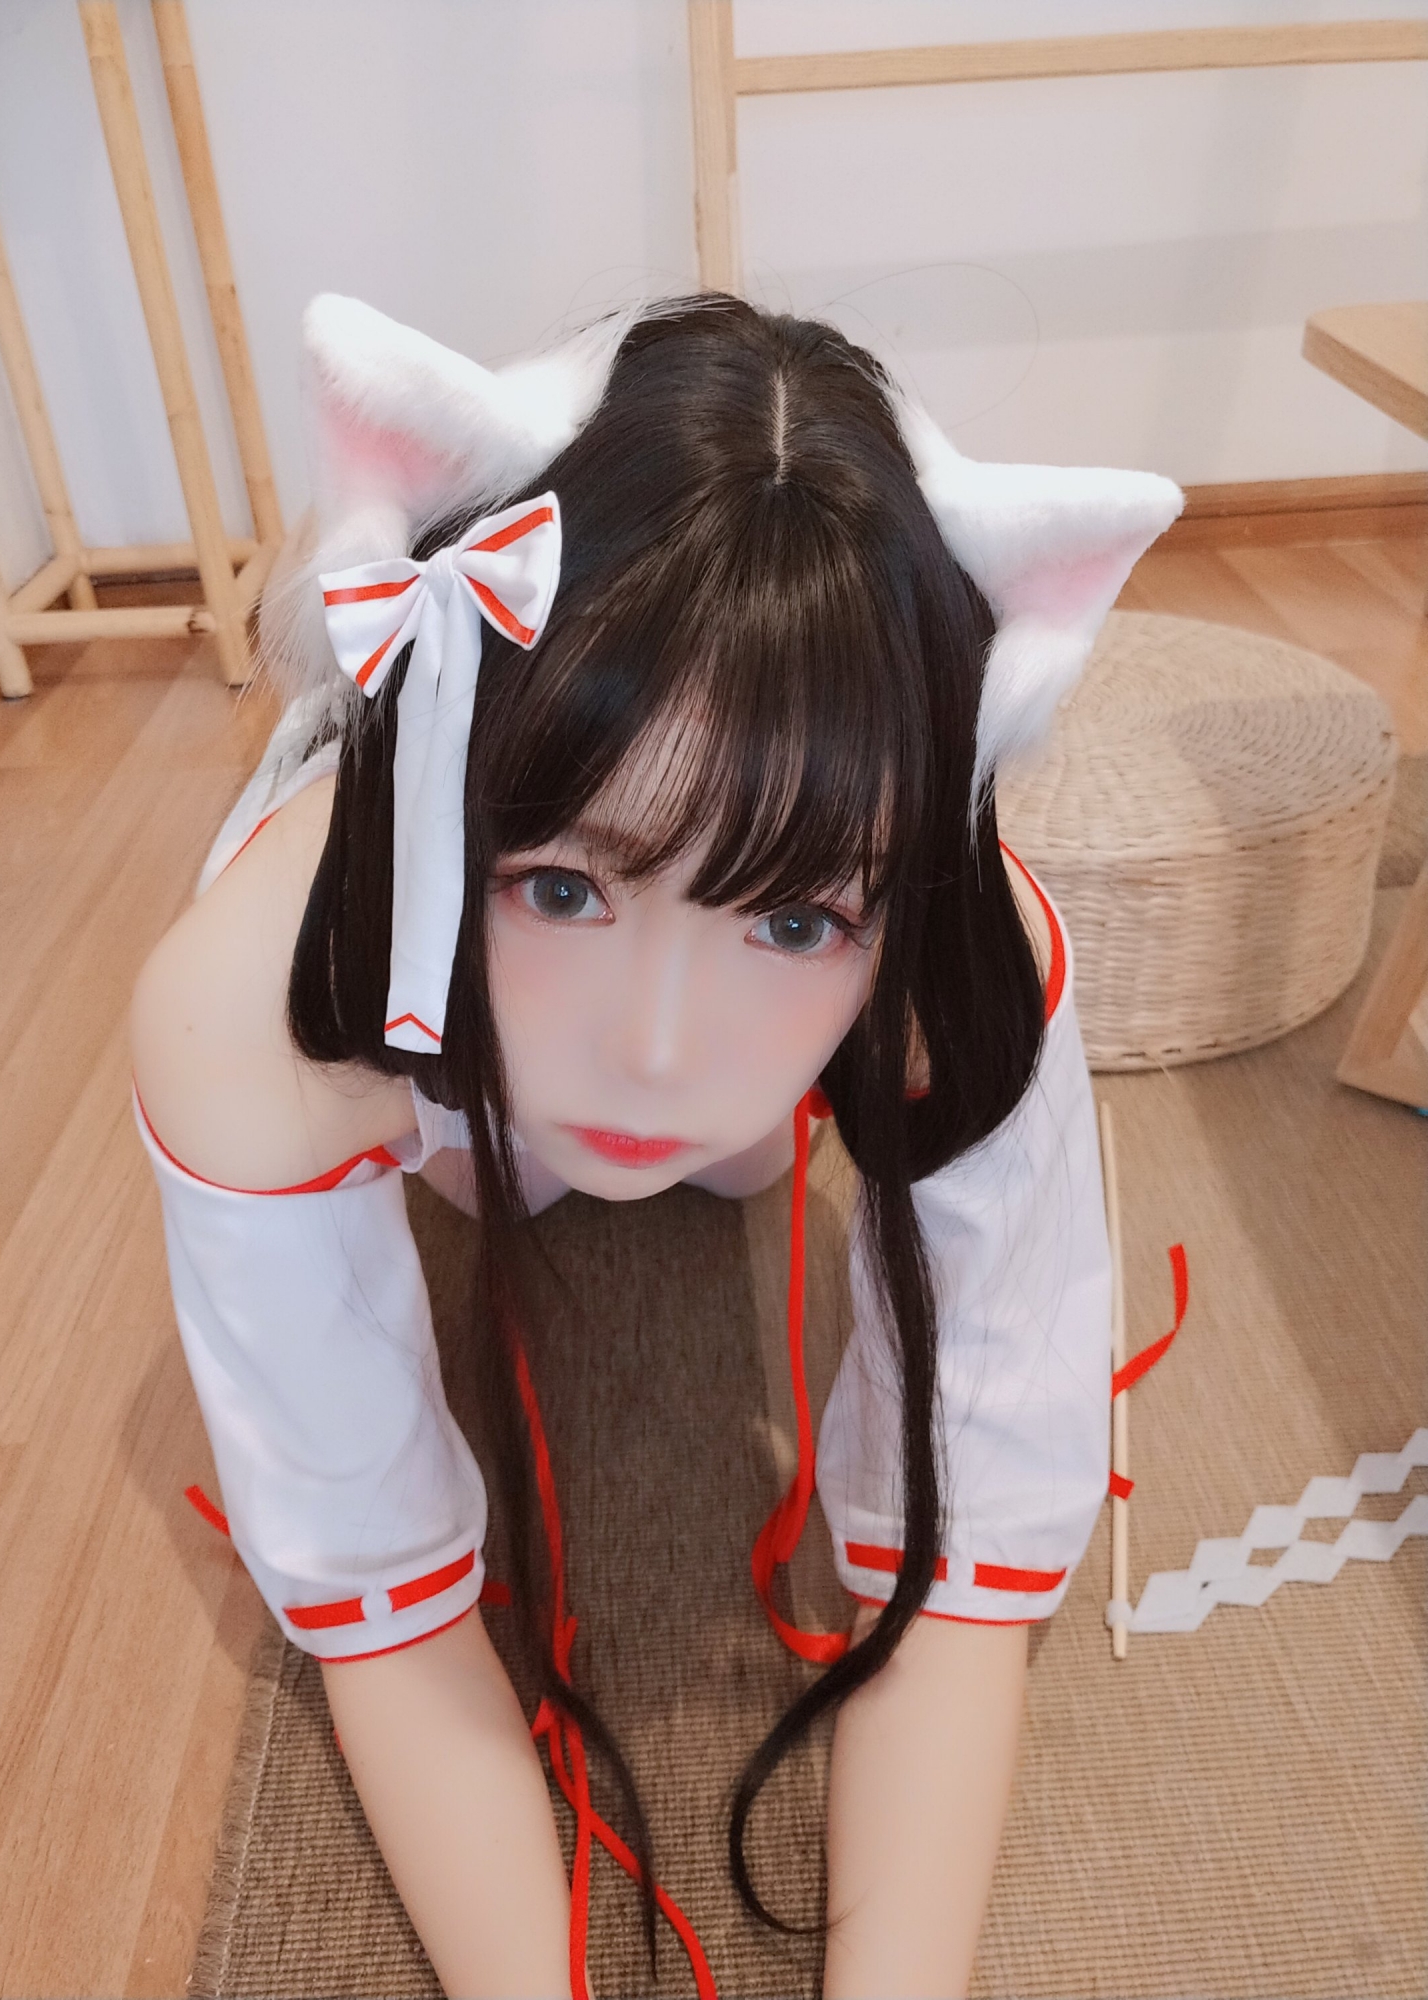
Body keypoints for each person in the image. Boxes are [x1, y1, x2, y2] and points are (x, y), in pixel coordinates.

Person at [131, 292, 1180, 1999]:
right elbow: (379, 1590)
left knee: (734, 1155)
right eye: (562, 885)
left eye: (795, 920)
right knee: (550, 1156)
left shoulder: (969, 969)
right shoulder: (253, 1009)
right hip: (411, 1050)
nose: (662, 1048)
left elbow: (973, 1543)